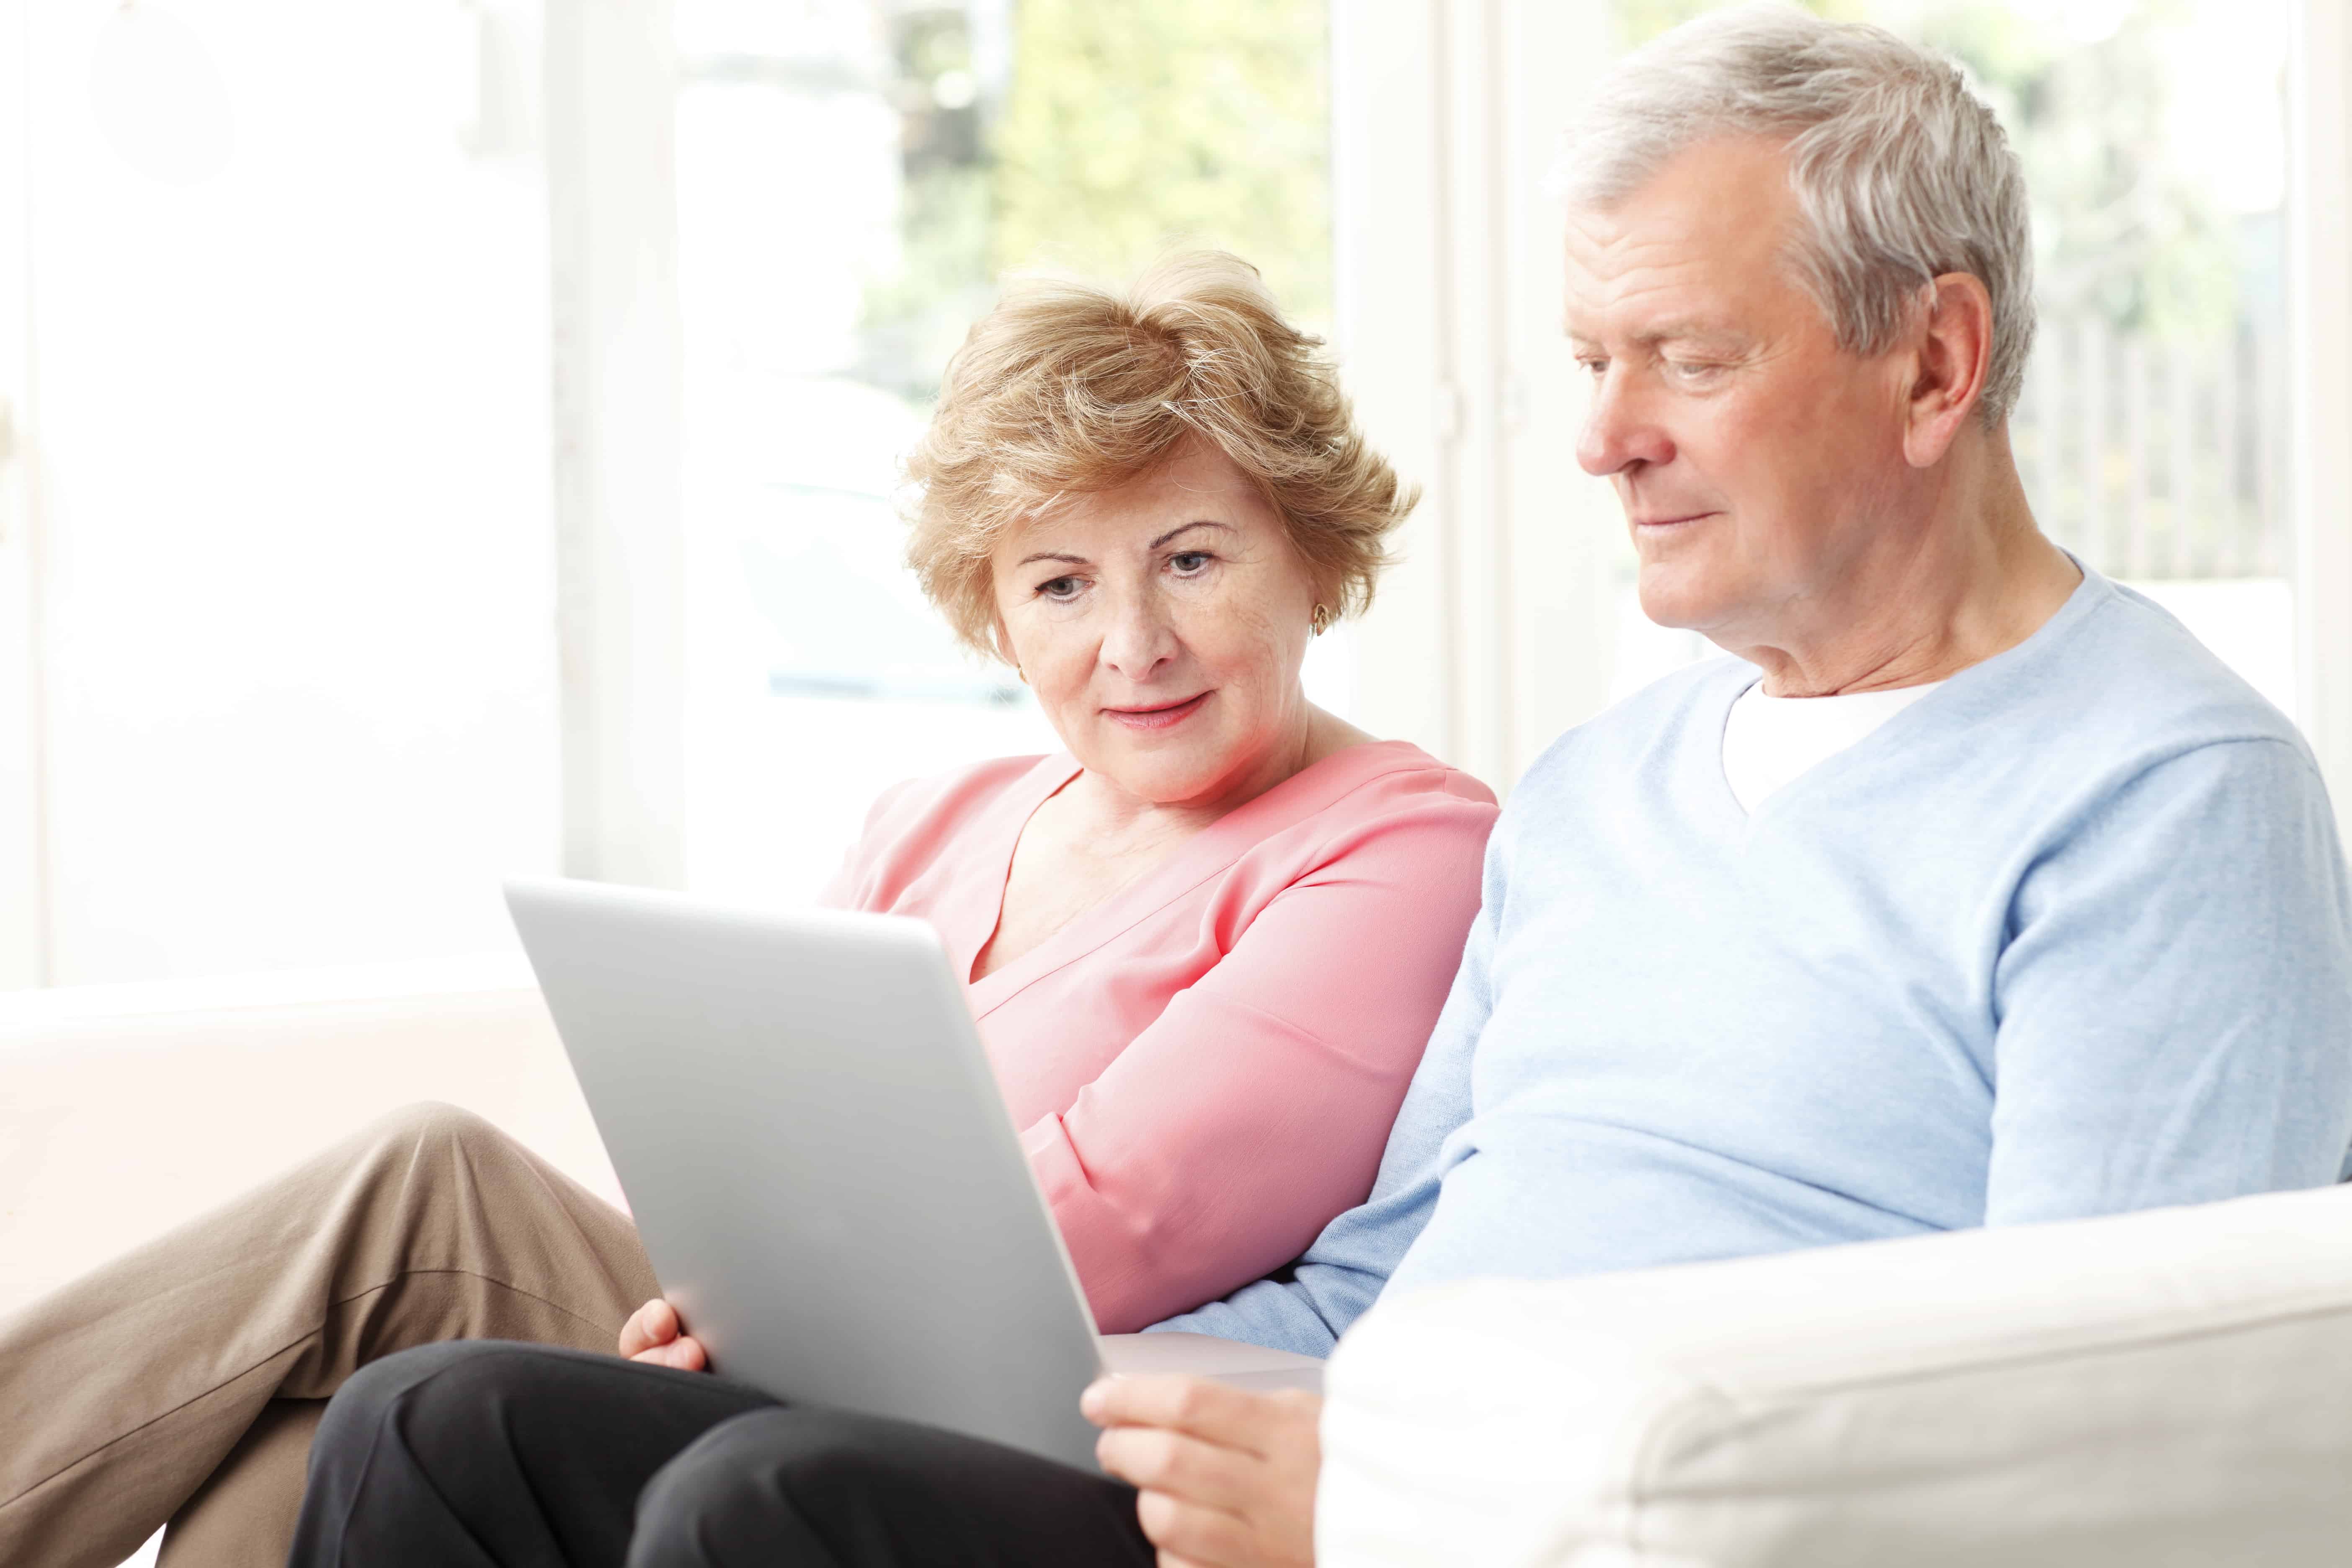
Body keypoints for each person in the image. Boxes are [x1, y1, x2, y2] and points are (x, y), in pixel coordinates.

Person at [295, 8, 2352, 1567]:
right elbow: (1387, 1271)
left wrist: (1402, 1507)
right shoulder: (1602, 789)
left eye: (1688, 358)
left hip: (1525, 1528)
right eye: (1590, 361)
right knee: (442, 1428)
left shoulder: (2164, 799)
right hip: (1363, 1475)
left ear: (1936, 363)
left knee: (766, 1510)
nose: (1603, 436)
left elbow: (2121, 1452)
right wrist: (1076, 1392)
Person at [0, 254, 1498, 1568]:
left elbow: (1114, 1220)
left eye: (1191, 561)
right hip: (791, 1334)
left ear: (1313, 555)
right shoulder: (940, 816)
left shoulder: (1403, 844)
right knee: (305, 1426)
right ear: (994, 611)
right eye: (1060, 586)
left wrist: (733, 1281)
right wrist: (706, 1282)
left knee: (422, 1195)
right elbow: (737, 1149)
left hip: (991, 1392)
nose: (1134, 643)